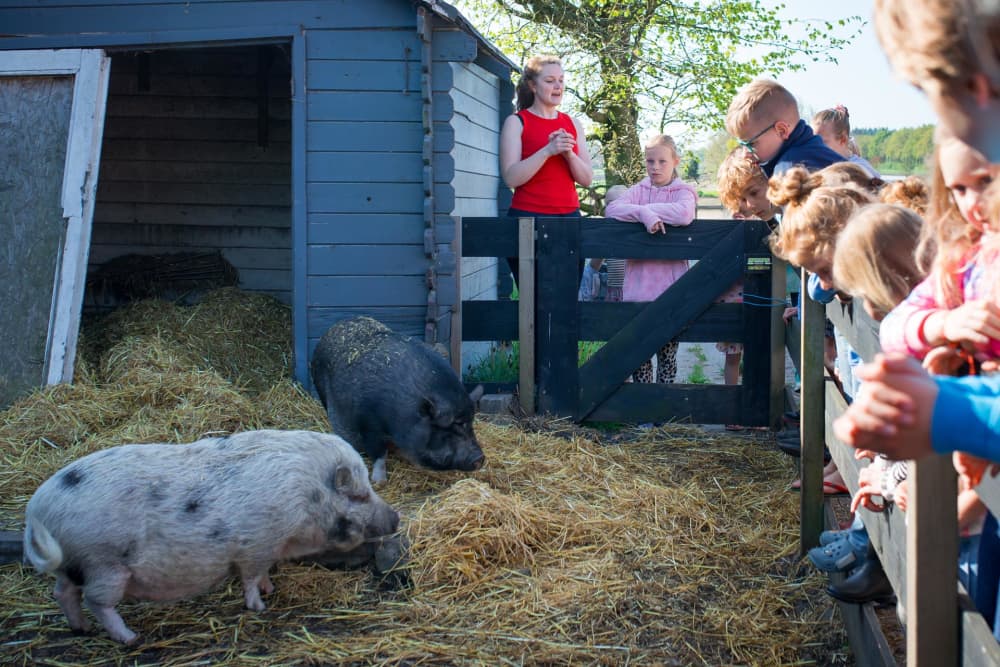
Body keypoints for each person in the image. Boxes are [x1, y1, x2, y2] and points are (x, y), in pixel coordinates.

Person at [606, 134, 697, 384]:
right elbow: (612, 209)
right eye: (650, 161)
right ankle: (643, 404)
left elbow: (684, 214)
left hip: (670, 290)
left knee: (667, 356)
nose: (655, 167)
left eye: (662, 161)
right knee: (639, 355)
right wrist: (643, 214)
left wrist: (645, 211)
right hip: (638, 288)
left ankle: (663, 403)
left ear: (675, 161)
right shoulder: (639, 190)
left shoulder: (683, 191)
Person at [499, 54, 593, 284]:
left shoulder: (573, 124)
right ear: (533, 85)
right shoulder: (516, 122)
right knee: (532, 297)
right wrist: (548, 151)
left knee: (567, 296)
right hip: (527, 220)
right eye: (550, 81)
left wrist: (568, 154)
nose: (558, 86)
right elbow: (511, 178)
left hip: (569, 219)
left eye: (561, 80)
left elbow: (587, 179)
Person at [715, 147, 780, 430]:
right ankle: (732, 410)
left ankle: (759, 412)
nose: (748, 205)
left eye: (752, 194)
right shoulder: (738, 224)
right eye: (741, 199)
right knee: (734, 357)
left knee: (760, 357)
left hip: (761, 298)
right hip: (735, 298)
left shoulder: (774, 220)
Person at [724, 79, 843, 178]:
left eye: (751, 144)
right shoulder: (818, 152)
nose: (745, 154)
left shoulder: (788, 170)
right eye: (742, 145)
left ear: (781, 131)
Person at [581, 184, 629, 302]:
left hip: (634, 290)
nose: (612, 208)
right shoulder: (606, 235)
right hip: (613, 293)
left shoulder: (636, 233)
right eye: (608, 204)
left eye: (618, 204)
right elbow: (593, 267)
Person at [811, 106, 883, 180]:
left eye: (821, 142)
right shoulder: (818, 166)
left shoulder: (859, 170)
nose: (816, 147)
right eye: (813, 141)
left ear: (843, 139)